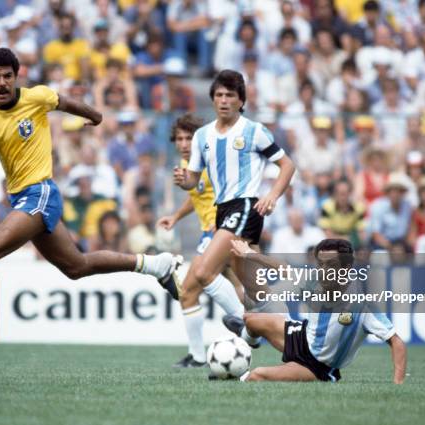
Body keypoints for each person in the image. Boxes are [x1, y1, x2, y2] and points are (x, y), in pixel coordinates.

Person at [0, 48, 182, 350]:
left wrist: (95, 116)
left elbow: (66, 102)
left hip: (40, 192)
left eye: (7, 76)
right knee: (77, 267)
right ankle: (156, 265)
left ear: (16, 78)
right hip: (22, 199)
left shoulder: (36, 97)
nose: (1, 83)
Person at [173, 70, 295, 365]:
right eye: (219, 95)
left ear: (241, 101)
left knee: (203, 272)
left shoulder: (254, 130)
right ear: (213, 99)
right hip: (223, 210)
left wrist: (271, 196)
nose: (224, 100)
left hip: (246, 208)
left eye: (230, 95)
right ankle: (292, 339)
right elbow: (194, 179)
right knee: (250, 285)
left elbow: (288, 166)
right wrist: (184, 180)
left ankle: (243, 323)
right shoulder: (202, 137)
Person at [225, 238, 407, 383]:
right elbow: (281, 268)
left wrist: (398, 384)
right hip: (303, 339)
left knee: (258, 375)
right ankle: (245, 338)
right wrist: (249, 254)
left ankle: (231, 372)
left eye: (331, 265)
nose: (324, 270)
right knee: (251, 319)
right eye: (321, 264)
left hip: (317, 366)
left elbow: (396, 342)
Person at [158, 113, 245, 368]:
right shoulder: (190, 166)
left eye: (189, 138)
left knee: (189, 289)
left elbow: (229, 191)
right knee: (232, 288)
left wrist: (222, 222)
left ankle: (246, 327)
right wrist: (176, 216)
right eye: (180, 139)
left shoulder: (210, 161)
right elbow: (197, 195)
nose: (184, 143)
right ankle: (201, 354)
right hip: (216, 232)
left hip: (218, 231)